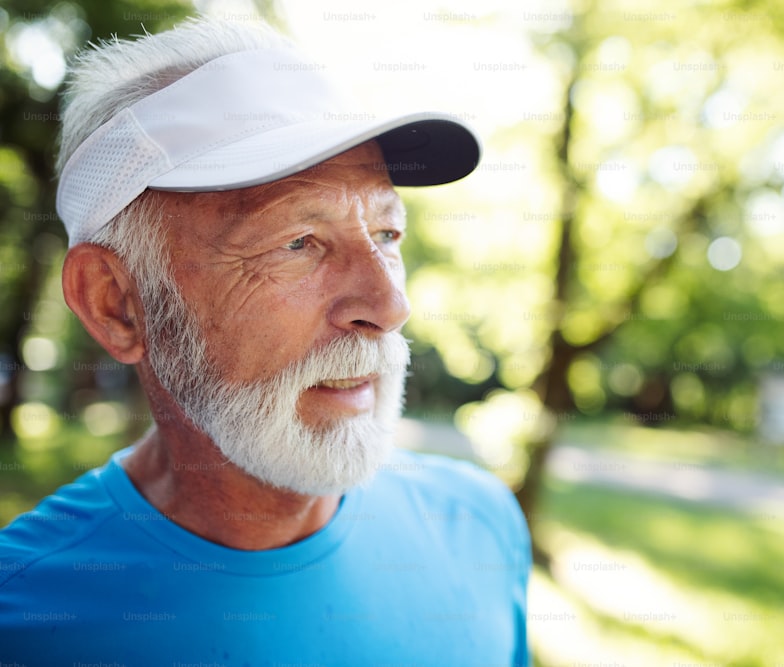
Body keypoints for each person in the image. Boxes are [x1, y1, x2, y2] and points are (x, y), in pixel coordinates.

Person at [0, 17, 530, 666]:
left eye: (387, 234)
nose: (390, 305)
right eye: (298, 242)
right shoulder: (23, 618)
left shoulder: (481, 525)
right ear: (117, 304)